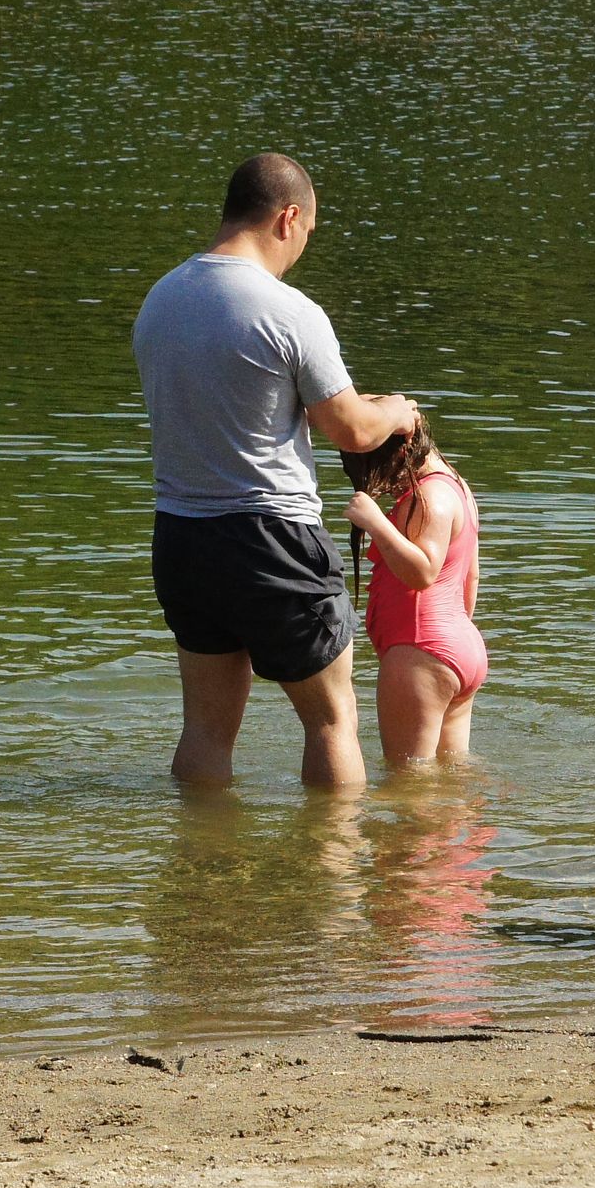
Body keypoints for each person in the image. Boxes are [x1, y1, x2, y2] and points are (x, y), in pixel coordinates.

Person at [134, 152, 421, 789]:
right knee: (330, 721)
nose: (302, 251)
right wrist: (396, 412)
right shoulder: (287, 310)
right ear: (288, 217)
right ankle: (331, 877)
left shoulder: (161, 299)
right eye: (308, 235)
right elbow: (348, 427)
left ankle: (202, 874)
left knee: (205, 729)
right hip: (271, 538)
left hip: (181, 537)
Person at [342, 418, 485, 765]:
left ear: (402, 450)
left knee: (408, 784)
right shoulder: (457, 487)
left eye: (376, 467)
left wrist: (375, 522)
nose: (380, 485)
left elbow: (423, 571)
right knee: (451, 776)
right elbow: (472, 577)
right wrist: (450, 642)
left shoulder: (429, 497)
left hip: (421, 649)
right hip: (457, 647)